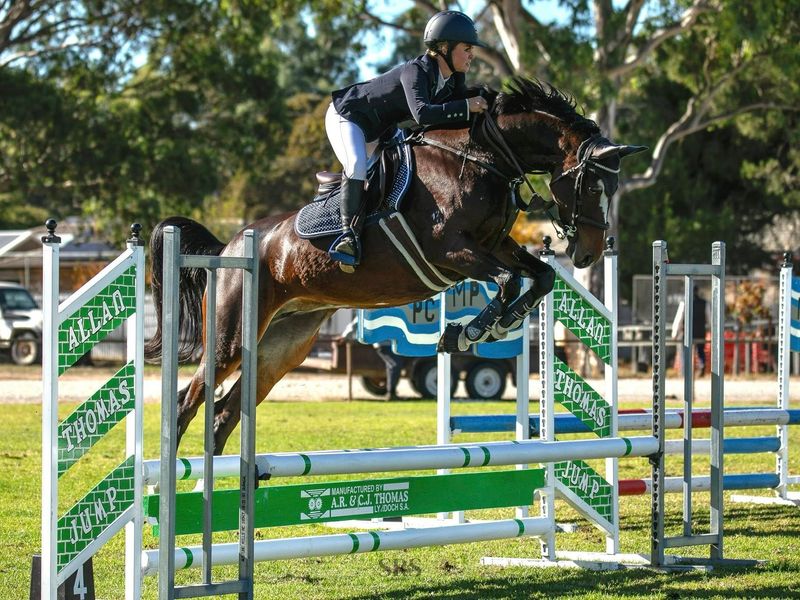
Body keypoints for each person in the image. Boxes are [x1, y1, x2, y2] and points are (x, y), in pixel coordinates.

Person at [325, 10, 489, 271]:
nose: (472, 54)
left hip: (383, 129)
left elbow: (455, 116)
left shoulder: (453, 79)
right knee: (356, 166)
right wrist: (468, 106)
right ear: (444, 48)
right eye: (467, 48)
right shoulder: (416, 71)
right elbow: (423, 114)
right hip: (349, 117)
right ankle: (347, 237)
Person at [671, 287, 712, 376]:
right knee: (701, 351)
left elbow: (679, 319)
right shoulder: (704, 303)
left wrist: (674, 333)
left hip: (687, 333)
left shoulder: (684, 303)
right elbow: (709, 319)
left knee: (685, 352)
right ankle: (701, 366)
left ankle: (685, 371)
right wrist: (711, 330)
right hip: (700, 332)